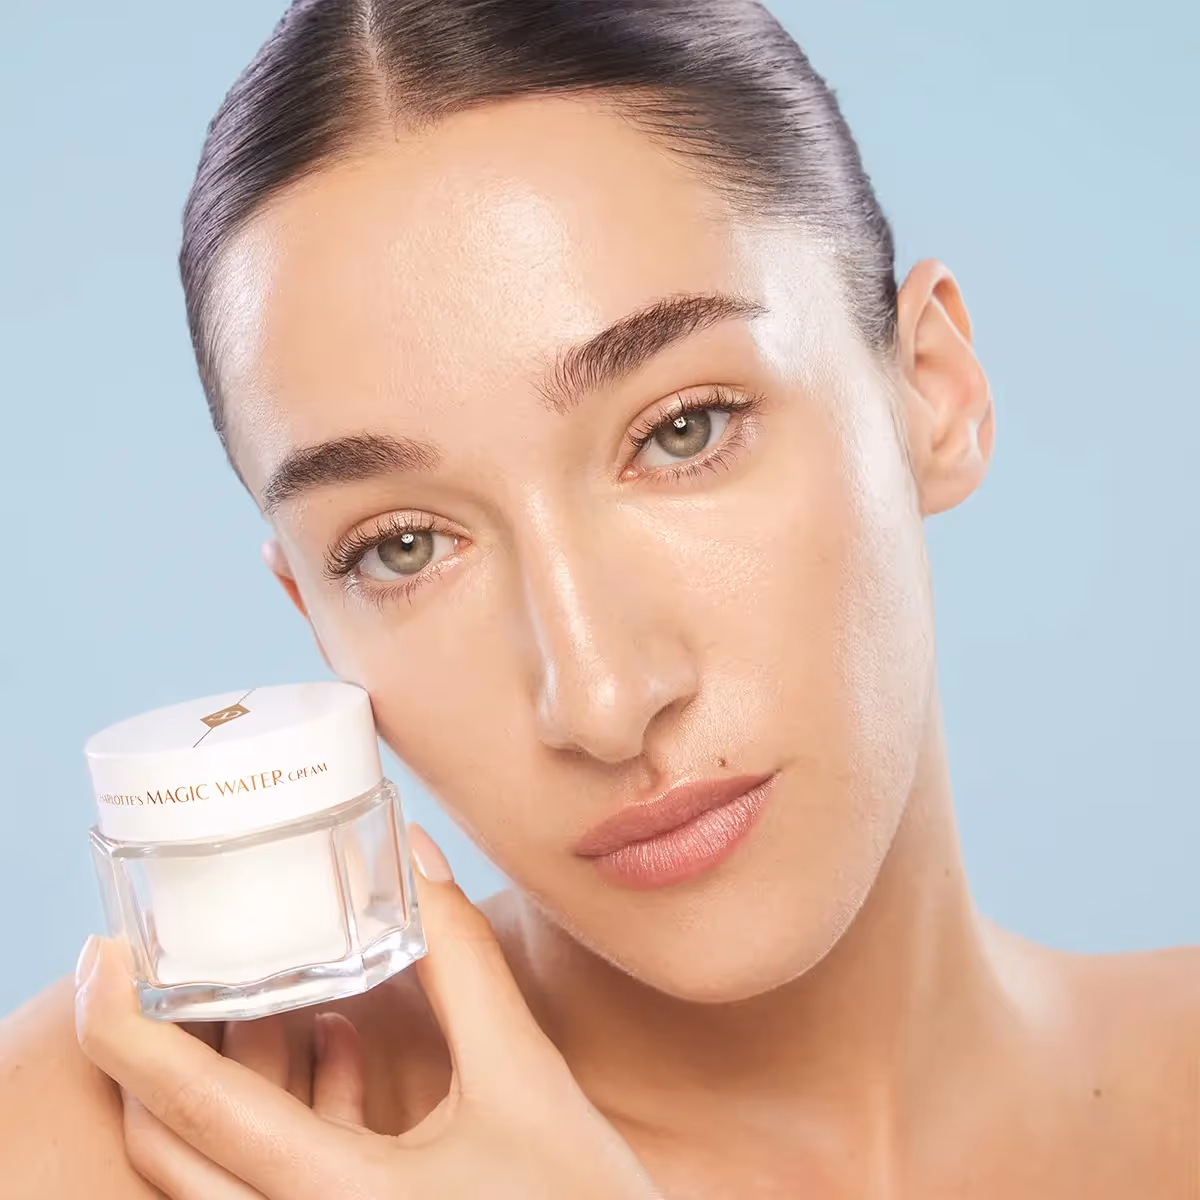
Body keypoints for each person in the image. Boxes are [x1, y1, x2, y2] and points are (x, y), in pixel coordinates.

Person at [3, 1, 1197, 1196]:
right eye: (402, 548)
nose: (603, 701)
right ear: (312, 612)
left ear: (933, 393)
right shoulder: (129, 1139)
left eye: (684, 430)